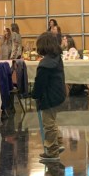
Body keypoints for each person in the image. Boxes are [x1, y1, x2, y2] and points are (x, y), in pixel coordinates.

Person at [31, 31, 66, 162]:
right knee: (52, 121)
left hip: (48, 96)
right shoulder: (56, 58)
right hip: (57, 93)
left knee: (48, 124)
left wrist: (34, 95)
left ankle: (52, 151)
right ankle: (58, 143)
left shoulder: (45, 64)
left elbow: (40, 84)